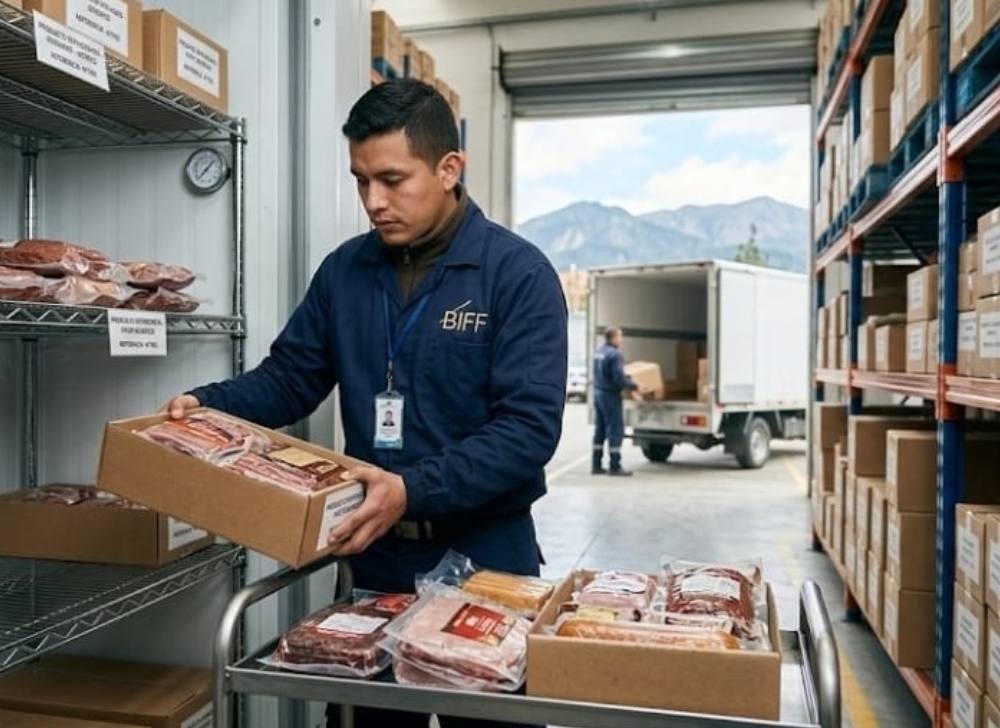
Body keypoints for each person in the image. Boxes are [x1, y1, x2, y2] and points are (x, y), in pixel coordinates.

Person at [161, 78, 566, 728]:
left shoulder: (516, 276)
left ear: (449, 168)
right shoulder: (345, 272)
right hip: (373, 556)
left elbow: (526, 432)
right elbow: (290, 379)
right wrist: (204, 405)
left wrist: (411, 488)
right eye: (360, 181)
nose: (373, 202)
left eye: (392, 179)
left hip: (487, 558)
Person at [591, 326, 641, 476]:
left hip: (598, 392)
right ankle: (614, 466)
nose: (622, 339)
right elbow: (619, 378)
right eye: (620, 336)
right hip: (610, 395)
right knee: (615, 429)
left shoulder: (599, 352)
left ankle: (596, 465)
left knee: (600, 429)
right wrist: (635, 386)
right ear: (613, 338)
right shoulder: (615, 355)